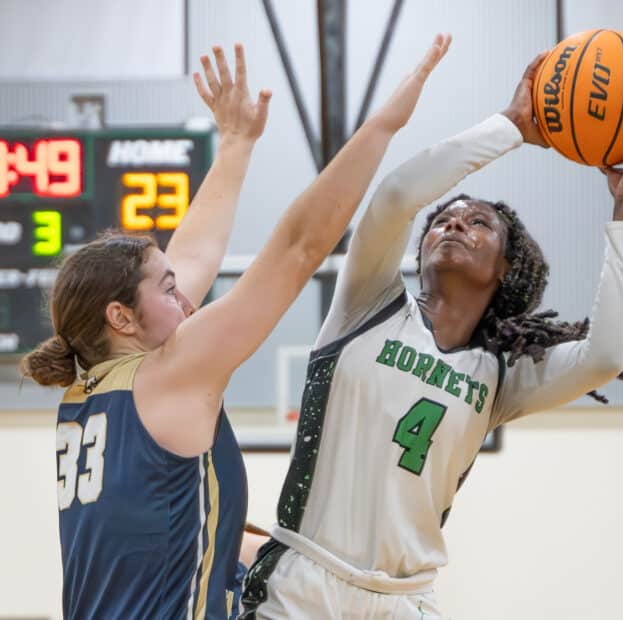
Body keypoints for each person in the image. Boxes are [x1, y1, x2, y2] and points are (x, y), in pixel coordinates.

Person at [20, 35, 451, 619]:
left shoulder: (90, 389)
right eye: (169, 292)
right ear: (121, 317)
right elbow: (299, 247)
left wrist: (236, 145)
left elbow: (190, 258)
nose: (190, 301)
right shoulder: (168, 375)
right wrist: (383, 127)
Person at [240, 52, 623, 619]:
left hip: (405, 601)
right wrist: (510, 128)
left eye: (478, 223)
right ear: (418, 252)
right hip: (303, 585)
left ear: (506, 269)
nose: (454, 225)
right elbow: (397, 195)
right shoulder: (366, 304)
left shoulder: (498, 377)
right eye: (444, 220)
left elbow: (606, 355)